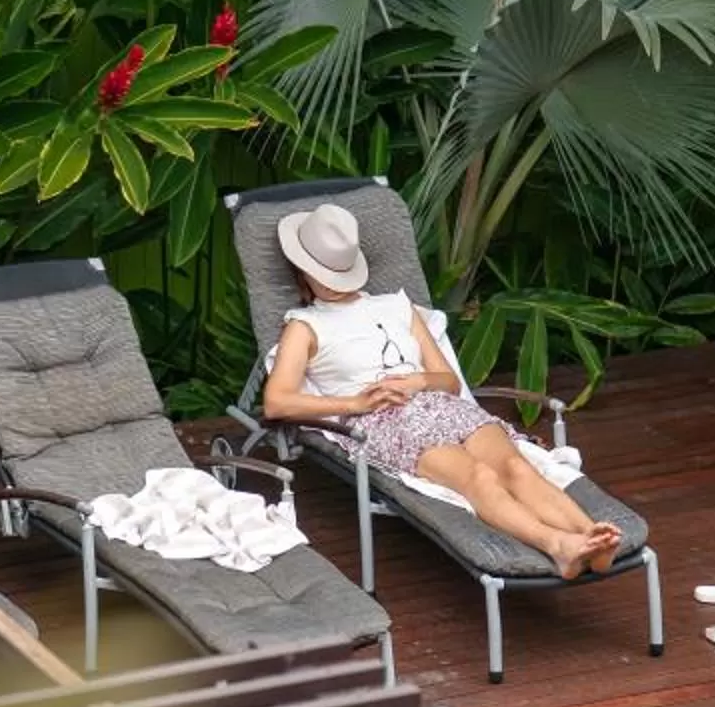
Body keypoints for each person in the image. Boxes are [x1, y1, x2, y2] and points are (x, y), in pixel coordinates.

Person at [261, 203, 622, 581]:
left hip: (443, 404)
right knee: (479, 477)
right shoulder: (305, 326)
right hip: (386, 421)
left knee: (516, 466)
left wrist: (418, 381)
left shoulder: (397, 306)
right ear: (303, 270)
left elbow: (448, 380)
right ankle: (558, 545)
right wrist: (355, 402)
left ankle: (592, 535)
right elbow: (276, 402)